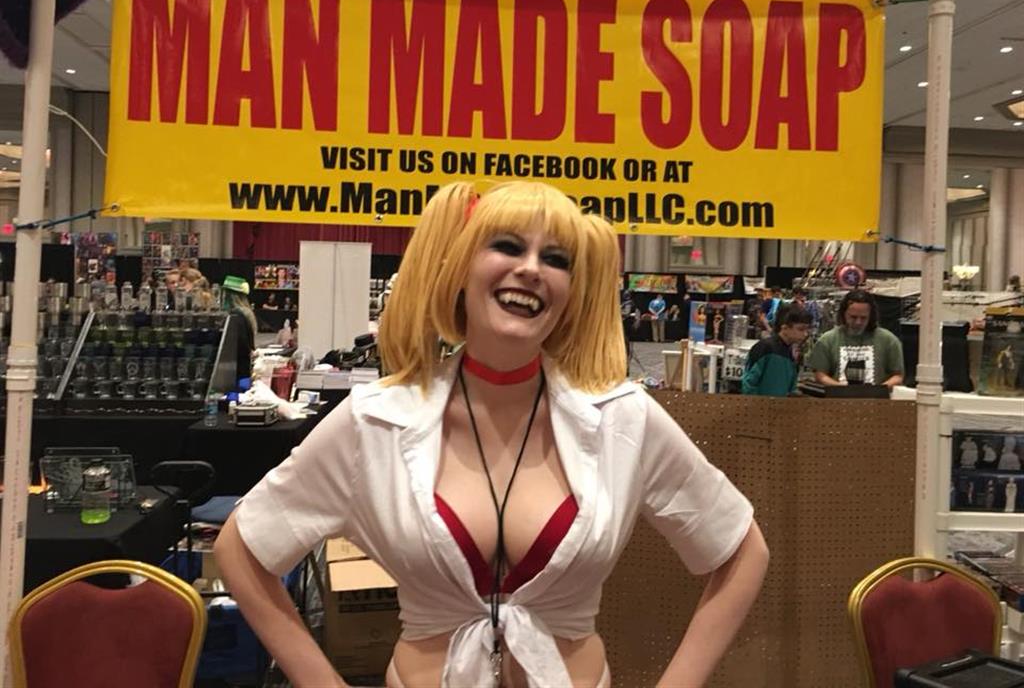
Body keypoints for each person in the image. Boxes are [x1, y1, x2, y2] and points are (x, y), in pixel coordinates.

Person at [214, 182, 767, 688]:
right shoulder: (376, 420)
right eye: (507, 246)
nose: (531, 269)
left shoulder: (622, 418)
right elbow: (242, 548)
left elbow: (741, 550)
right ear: (459, 267)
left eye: (556, 259)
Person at [808, 289, 904, 387]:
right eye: (853, 317)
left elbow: (898, 376)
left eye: (863, 318)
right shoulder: (827, 340)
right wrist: (842, 389)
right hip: (838, 396)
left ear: (871, 316)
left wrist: (878, 390)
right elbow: (820, 375)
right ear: (843, 314)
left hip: (876, 396)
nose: (858, 322)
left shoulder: (889, 340)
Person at [742, 308, 813, 397]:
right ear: (785, 328)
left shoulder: (790, 352)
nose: (805, 334)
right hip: (761, 404)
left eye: (807, 330)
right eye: (801, 329)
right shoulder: (765, 347)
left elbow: (790, 388)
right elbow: (749, 383)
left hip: (779, 404)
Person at [222, 275, 257, 380]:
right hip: (243, 366)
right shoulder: (247, 312)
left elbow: (241, 344)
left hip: (237, 369)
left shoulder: (236, 315)